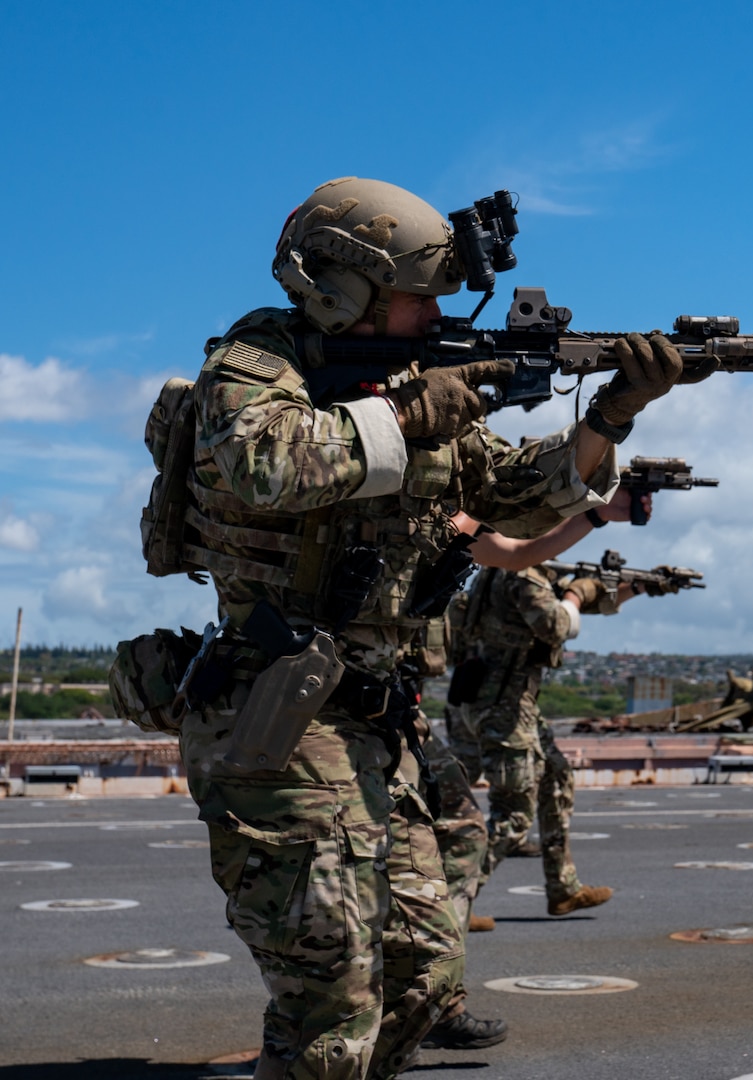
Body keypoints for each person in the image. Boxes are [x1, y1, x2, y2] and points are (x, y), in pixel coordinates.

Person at [175, 176, 682, 1080]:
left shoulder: (408, 384)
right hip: (280, 714)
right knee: (334, 1011)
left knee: (424, 976)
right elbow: (267, 465)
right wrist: (413, 411)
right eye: (420, 298)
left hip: (379, 714)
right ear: (342, 289)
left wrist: (611, 415)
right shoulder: (257, 366)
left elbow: (521, 495)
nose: (433, 317)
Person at [454, 561, 671, 917]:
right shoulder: (522, 574)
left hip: (508, 701)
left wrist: (636, 588)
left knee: (556, 776)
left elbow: (584, 605)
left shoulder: (510, 571)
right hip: (503, 707)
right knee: (513, 815)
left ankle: (563, 886)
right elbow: (556, 623)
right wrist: (576, 592)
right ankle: (451, 905)